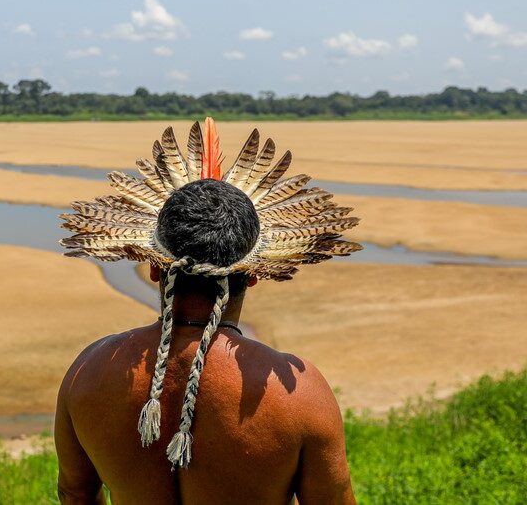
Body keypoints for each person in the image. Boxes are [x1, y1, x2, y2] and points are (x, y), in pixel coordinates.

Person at [56, 119, 359, 504]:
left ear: (153, 267)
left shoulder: (89, 371)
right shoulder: (299, 393)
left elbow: (75, 493)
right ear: (253, 274)